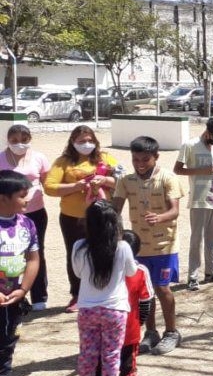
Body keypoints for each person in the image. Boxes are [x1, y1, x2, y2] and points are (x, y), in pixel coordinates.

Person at [113, 136, 185, 355]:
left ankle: (172, 332)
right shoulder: (125, 180)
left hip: (164, 245)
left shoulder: (168, 178)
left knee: (162, 288)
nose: (140, 164)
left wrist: (160, 217)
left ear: (156, 157)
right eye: (136, 159)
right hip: (138, 247)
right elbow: (114, 210)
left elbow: (174, 211)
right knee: (145, 290)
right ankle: (151, 332)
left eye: (145, 159)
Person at [44, 126, 122, 312]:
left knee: (107, 250)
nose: (86, 144)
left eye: (89, 140)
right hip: (74, 217)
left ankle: (107, 291)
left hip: (103, 214)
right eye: (81, 141)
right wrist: (76, 186)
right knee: (76, 254)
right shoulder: (63, 162)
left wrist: (104, 180)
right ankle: (78, 294)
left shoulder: (106, 158)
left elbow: (122, 181)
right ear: (72, 142)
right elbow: (49, 187)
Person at [73, 200, 136, 376]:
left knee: (87, 354)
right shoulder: (123, 247)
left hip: (87, 309)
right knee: (111, 354)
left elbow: (78, 273)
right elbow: (131, 272)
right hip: (114, 309)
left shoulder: (79, 247)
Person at [0, 170, 40, 376]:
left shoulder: (27, 224)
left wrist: (23, 289)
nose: (27, 199)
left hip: (12, 299)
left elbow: (33, 258)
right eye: (22, 195)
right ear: (3, 198)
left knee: (6, 342)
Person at [174, 118, 213, 290]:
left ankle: (211, 271)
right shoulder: (190, 145)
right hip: (199, 198)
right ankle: (193, 276)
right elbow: (177, 169)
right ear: (208, 132)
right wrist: (202, 171)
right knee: (196, 238)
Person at [95, 230, 153, 376]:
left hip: (105, 321)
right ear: (138, 251)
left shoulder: (104, 269)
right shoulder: (140, 271)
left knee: (104, 353)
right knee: (128, 354)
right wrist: (141, 321)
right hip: (130, 324)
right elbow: (146, 299)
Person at [0, 125, 51, 310]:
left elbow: (49, 183)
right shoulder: (1, 158)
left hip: (34, 212)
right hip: (6, 214)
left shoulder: (39, 158)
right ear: (8, 140)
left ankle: (38, 295)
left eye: (24, 140)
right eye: (14, 140)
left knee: (35, 252)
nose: (19, 144)